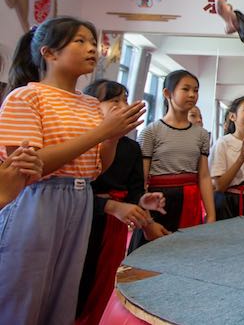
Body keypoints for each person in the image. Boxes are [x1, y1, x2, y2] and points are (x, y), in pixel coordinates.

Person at [0, 17, 145, 324]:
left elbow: (95, 169)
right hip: (36, 198)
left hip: (78, 199)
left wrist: (113, 136)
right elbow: (29, 167)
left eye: (93, 42)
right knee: (22, 292)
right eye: (80, 41)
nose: (92, 48)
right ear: (49, 53)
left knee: (63, 294)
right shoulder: (26, 96)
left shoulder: (91, 105)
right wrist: (101, 132)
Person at [76, 79, 167, 325]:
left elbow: (134, 191)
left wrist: (145, 203)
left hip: (114, 226)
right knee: (78, 280)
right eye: (114, 100)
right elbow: (77, 190)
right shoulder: (82, 142)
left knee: (103, 281)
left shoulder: (130, 147)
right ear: (92, 105)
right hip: (81, 219)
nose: (122, 106)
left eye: (125, 100)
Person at [129, 70, 215, 251]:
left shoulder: (201, 134)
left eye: (196, 90)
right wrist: (147, 220)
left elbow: (204, 177)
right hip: (159, 202)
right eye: (186, 89)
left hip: (190, 200)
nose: (192, 94)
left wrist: (211, 214)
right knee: (153, 254)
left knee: (186, 254)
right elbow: (141, 180)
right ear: (167, 93)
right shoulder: (151, 132)